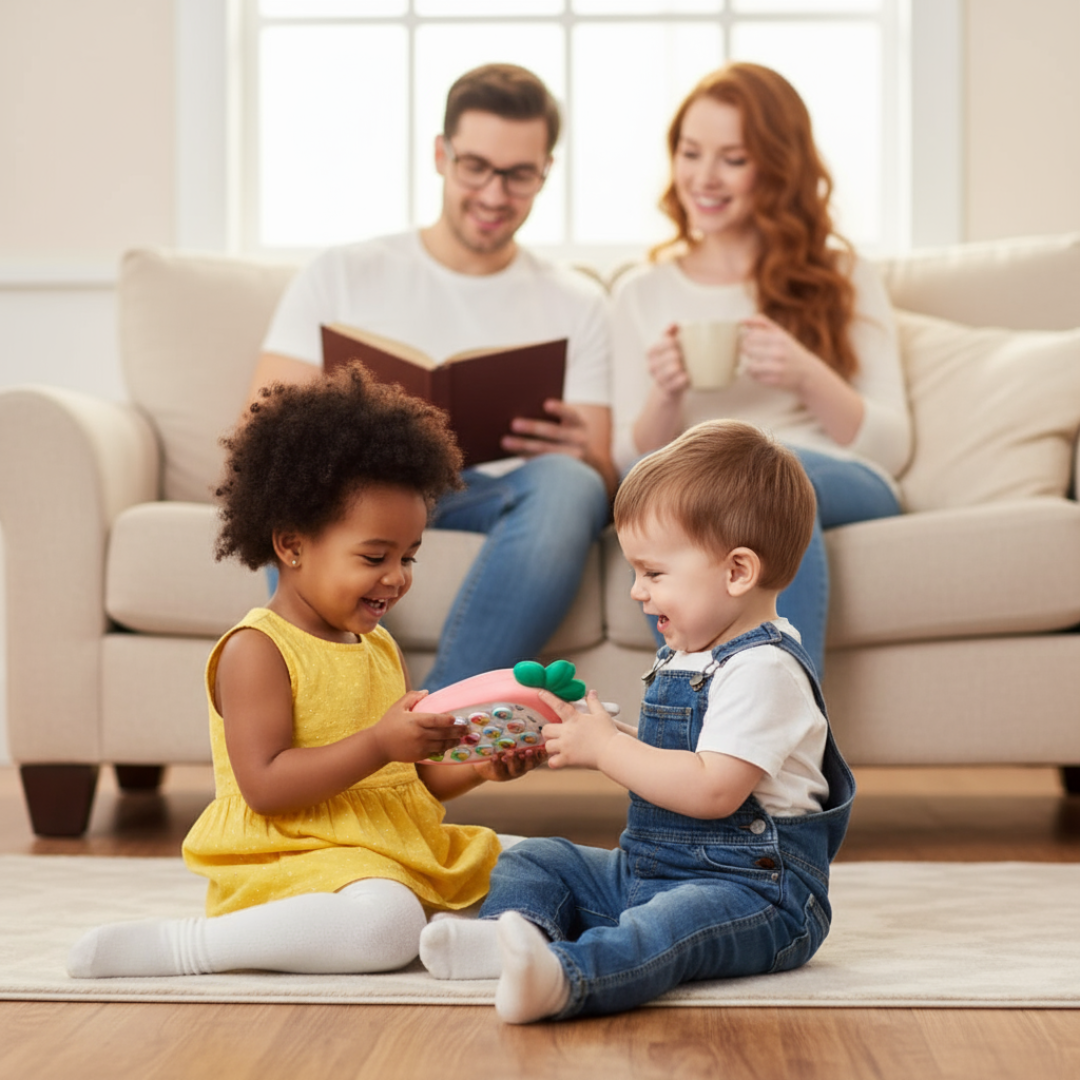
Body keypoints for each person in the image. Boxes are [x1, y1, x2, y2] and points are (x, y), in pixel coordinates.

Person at [67, 364, 544, 980]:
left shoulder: (378, 646)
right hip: (295, 855)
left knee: (543, 863)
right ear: (292, 546)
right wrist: (378, 741)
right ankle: (185, 946)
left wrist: (480, 768)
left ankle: (474, 946)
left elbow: (408, 784)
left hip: (387, 848)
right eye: (375, 556)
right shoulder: (257, 649)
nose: (397, 576)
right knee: (386, 925)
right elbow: (265, 785)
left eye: (408, 557)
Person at [418, 420, 856, 1022]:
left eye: (652, 573)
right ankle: (505, 939)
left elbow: (713, 788)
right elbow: (676, 761)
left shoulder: (765, 670)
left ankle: (563, 978)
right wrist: (592, 730)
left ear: (736, 572)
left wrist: (605, 752)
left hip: (756, 895)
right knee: (538, 858)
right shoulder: (690, 652)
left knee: (665, 928)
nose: (635, 592)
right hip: (650, 870)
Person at [251, 62, 616, 692]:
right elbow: (260, 427)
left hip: (489, 494)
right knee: (290, 489)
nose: (496, 195)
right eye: (476, 166)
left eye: (519, 175)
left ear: (546, 172)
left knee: (569, 484)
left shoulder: (578, 302)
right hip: (359, 493)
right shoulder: (342, 272)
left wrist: (583, 454)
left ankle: (440, 719)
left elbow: (607, 482)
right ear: (441, 155)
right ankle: (350, 707)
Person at [610, 62, 911, 677]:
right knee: (714, 504)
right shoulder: (641, 292)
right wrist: (666, 397)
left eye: (733, 158)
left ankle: (780, 739)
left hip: (837, 475)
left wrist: (806, 374)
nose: (704, 177)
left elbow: (892, 449)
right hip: (701, 495)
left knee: (776, 480)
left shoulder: (843, 277)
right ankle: (719, 744)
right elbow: (629, 469)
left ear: (778, 166)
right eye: (690, 153)